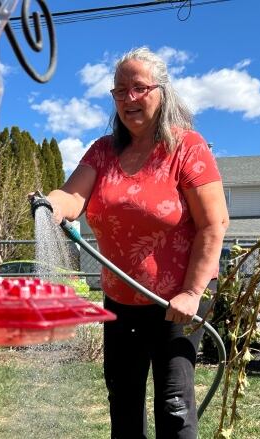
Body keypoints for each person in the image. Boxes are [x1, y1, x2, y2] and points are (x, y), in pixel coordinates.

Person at [42, 47, 229, 439]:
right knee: (123, 404)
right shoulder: (103, 151)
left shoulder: (186, 147)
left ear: (162, 92)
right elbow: (73, 198)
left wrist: (193, 292)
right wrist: (50, 205)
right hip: (121, 302)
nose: (129, 98)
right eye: (120, 90)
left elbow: (215, 223)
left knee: (174, 406)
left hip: (176, 302)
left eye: (139, 88)